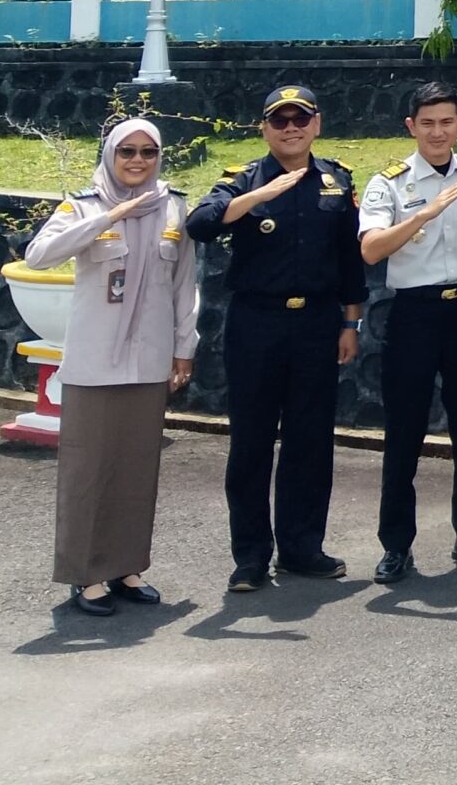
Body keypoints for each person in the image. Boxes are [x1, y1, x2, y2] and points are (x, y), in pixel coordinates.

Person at [186, 84, 366, 593]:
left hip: (316, 324)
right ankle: (250, 557)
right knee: (251, 442)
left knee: (310, 439)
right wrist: (257, 197)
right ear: (264, 128)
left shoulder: (336, 180)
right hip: (256, 324)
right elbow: (199, 224)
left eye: (300, 119)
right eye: (280, 121)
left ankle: (301, 548)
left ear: (317, 124)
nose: (291, 129)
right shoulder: (242, 179)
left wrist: (351, 323)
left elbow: (349, 261)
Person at [24, 118, 197, 616]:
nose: (138, 160)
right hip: (95, 361)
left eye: (148, 152)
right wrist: (109, 216)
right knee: (88, 471)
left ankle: (127, 568)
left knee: (136, 470)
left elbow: (185, 283)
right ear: (110, 155)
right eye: (127, 152)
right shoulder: (82, 205)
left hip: (149, 359)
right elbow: (39, 256)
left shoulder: (173, 206)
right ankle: (87, 574)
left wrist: (184, 347)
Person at [357, 81, 457, 585]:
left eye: (446, 122)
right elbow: (372, 250)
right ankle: (396, 545)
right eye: (427, 123)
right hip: (414, 314)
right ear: (411, 127)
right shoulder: (389, 184)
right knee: (404, 433)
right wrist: (425, 212)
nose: (437, 132)